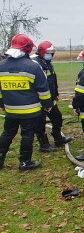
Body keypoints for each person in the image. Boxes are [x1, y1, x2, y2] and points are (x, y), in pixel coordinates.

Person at [0, 34, 53, 171]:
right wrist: (47, 105)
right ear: (28, 48)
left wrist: (2, 105)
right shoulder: (33, 67)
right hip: (30, 110)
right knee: (27, 135)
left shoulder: (1, 66)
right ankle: (25, 162)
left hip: (11, 110)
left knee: (7, 134)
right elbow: (43, 90)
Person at [31, 41, 72, 151]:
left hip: (50, 98)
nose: (50, 55)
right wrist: (44, 101)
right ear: (41, 52)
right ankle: (44, 145)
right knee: (40, 123)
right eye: (48, 53)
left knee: (57, 118)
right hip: (39, 100)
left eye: (51, 53)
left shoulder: (48, 64)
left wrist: (56, 93)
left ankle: (58, 138)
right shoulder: (35, 64)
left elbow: (53, 80)